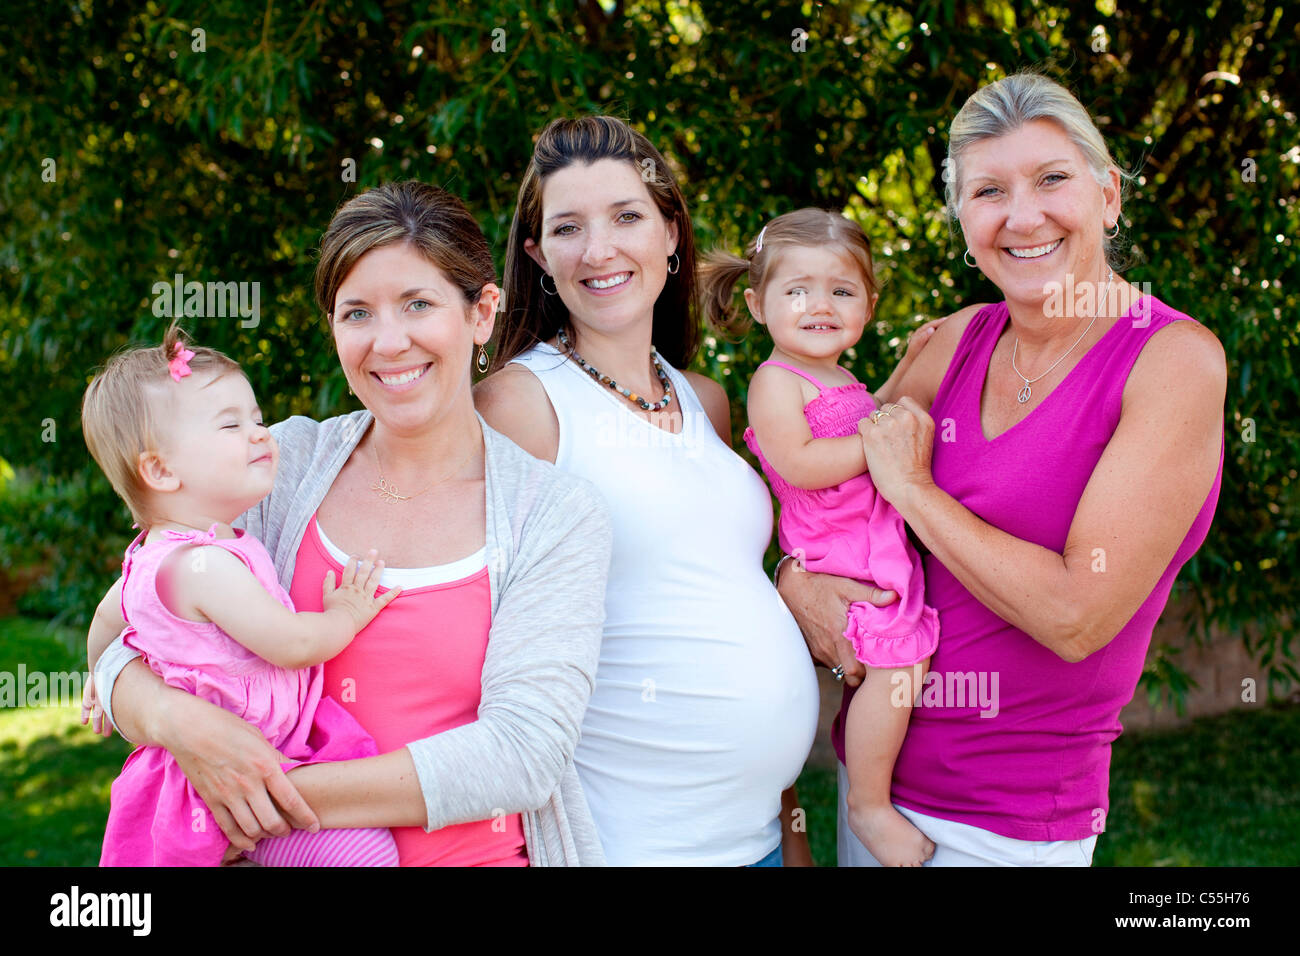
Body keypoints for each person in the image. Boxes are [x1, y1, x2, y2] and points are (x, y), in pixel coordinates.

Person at [84, 181, 613, 866]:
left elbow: (521, 754)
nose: (388, 343)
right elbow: (132, 621)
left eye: (418, 304)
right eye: (356, 312)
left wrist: (252, 790)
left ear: (481, 313)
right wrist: (173, 721)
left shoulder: (554, 516)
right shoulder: (280, 464)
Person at [777, 71, 1226, 866]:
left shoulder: (1170, 362)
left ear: (1108, 194)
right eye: (989, 191)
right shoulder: (952, 342)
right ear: (963, 222)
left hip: (1009, 830)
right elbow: (823, 489)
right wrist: (793, 578)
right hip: (870, 793)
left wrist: (913, 490)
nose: (1023, 216)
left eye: (1052, 179)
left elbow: (1074, 616)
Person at [476, 116, 819, 866]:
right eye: (568, 228)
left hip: (760, 837)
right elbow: (472, 635)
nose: (600, 251)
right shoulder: (521, 404)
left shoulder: (706, 399)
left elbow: (723, 592)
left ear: (670, 231)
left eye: (627, 217)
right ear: (537, 254)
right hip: (631, 844)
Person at [82, 327, 401, 866]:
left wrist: (100, 678)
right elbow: (293, 643)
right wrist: (345, 613)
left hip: (241, 767)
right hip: (229, 780)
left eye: (255, 418)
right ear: (160, 470)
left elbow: (105, 619)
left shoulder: (155, 555)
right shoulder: (202, 567)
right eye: (231, 425)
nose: (261, 434)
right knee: (362, 854)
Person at [700, 208, 942, 866]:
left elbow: (872, 414)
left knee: (904, 665)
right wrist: (880, 449)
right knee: (894, 667)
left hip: (871, 542)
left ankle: (873, 788)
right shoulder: (774, 381)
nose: (820, 305)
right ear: (757, 304)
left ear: (868, 304)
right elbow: (802, 462)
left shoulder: (842, 378)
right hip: (835, 548)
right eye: (798, 290)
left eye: (842, 290)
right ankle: (867, 804)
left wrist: (913, 364)